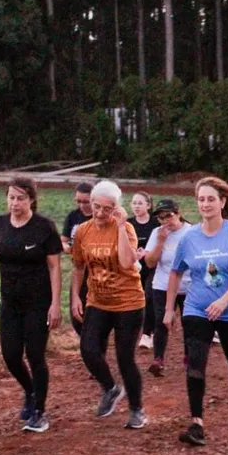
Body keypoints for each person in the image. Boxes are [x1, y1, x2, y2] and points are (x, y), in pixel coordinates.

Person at [166, 178, 228, 446]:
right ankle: (197, 423)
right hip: (197, 307)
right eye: (201, 199)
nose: (205, 204)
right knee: (195, 360)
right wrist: (169, 308)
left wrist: (225, 301)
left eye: (211, 199)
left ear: (222, 202)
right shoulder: (189, 237)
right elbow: (175, 272)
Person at [0, 177, 62, 433]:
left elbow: (54, 266)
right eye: (11, 198)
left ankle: (39, 412)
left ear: (32, 200)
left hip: (38, 303)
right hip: (10, 302)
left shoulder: (43, 227)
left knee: (35, 355)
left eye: (21, 198)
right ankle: (30, 390)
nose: (15, 203)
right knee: (11, 355)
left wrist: (56, 304)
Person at [70, 180, 148, 429]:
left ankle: (137, 409)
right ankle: (110, 388)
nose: (101, 213)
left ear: (116, 208)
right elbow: (79, 266)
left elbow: (126, 262)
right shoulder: (83, 230)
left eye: (108, 208)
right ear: (91, 204)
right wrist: (74, 297)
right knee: (88, 349)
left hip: (128, 302)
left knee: (125, 357)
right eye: (97, 207)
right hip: (97, 300)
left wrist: (123, 226)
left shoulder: (125, 229)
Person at [143, 199, 192, 376]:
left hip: (188, 286)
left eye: (168, 216)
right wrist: (160, 242)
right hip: (162, 285)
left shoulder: (191, 232)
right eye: (161, 218)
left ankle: (189, 358)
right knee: (160, 322)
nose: (165, 221)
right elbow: (149, 263)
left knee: (189, 323)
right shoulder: (157, 233)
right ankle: (158, 359)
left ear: (178, 214)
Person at [62, 182, 94, 335]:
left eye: (85, 201)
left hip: (98, 271)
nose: (82, 205)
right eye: (78, 201)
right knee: (76, 314)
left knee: (95, 315)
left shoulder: (100, 216)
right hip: (78, 269)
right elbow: (64, 239)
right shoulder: (73, 216)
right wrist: (66, 246)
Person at [129, 191, 159, 350]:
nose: (136, 206)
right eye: (134, 203)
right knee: (135, 300)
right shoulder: (128, 224)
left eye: (140, 203)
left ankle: (147, 334)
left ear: (148, 205)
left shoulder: (156, 223)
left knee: (149, 296)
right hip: (133, 267)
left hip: (153, 266)